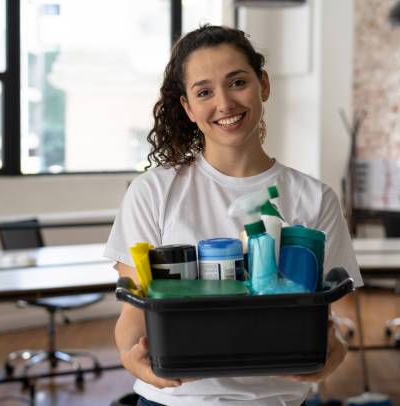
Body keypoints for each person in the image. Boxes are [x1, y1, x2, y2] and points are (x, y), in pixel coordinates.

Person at [104, 25, 363, 406]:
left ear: (264, 85)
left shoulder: (315, 197)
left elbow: (339, 312)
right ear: (188, 108)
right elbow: (134, 312)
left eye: (237, 82)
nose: (224, 103)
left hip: (278, 400)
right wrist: (131, 354)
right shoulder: (154, 191)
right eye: (204, 91)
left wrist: (337, 344)